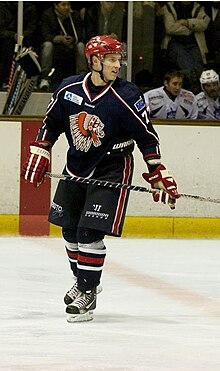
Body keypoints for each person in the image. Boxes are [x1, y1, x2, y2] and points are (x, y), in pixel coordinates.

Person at [21, 35, 179, 323]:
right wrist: (41, 148)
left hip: (112, 168)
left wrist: (158, 171)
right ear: (94, 61)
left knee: (88, 233)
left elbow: (147, 137)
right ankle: (83, 280)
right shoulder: (68, 88)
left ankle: (87, 290)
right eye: (112, 59)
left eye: (119, 59)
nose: (118, 65)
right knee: (68, 230)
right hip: (76, 165)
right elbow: (51, 123)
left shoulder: (127, 95)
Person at [161, 1, 210, 91]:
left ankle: (194, 90)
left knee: (198, 68)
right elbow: (170, 28)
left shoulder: (199, 7)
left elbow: (204, 24)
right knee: (188, 67)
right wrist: (190, 30)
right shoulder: (169, 7)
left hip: (195, 44)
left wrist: (188, 22)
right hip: (175, 44)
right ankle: (191, 89)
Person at [39, 1, 86, 91]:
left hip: (72, 45)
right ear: (56, 6)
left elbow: (81, 34)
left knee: (81, 46)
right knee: (47, 46)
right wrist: (59, 39)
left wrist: (73, 39)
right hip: (55, 45)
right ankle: (44, 78)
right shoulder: (48, 15)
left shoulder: (74, 15)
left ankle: (82, 77)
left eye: (68, 4)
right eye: (63, 5)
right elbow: (45, 34)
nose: (67, 7)